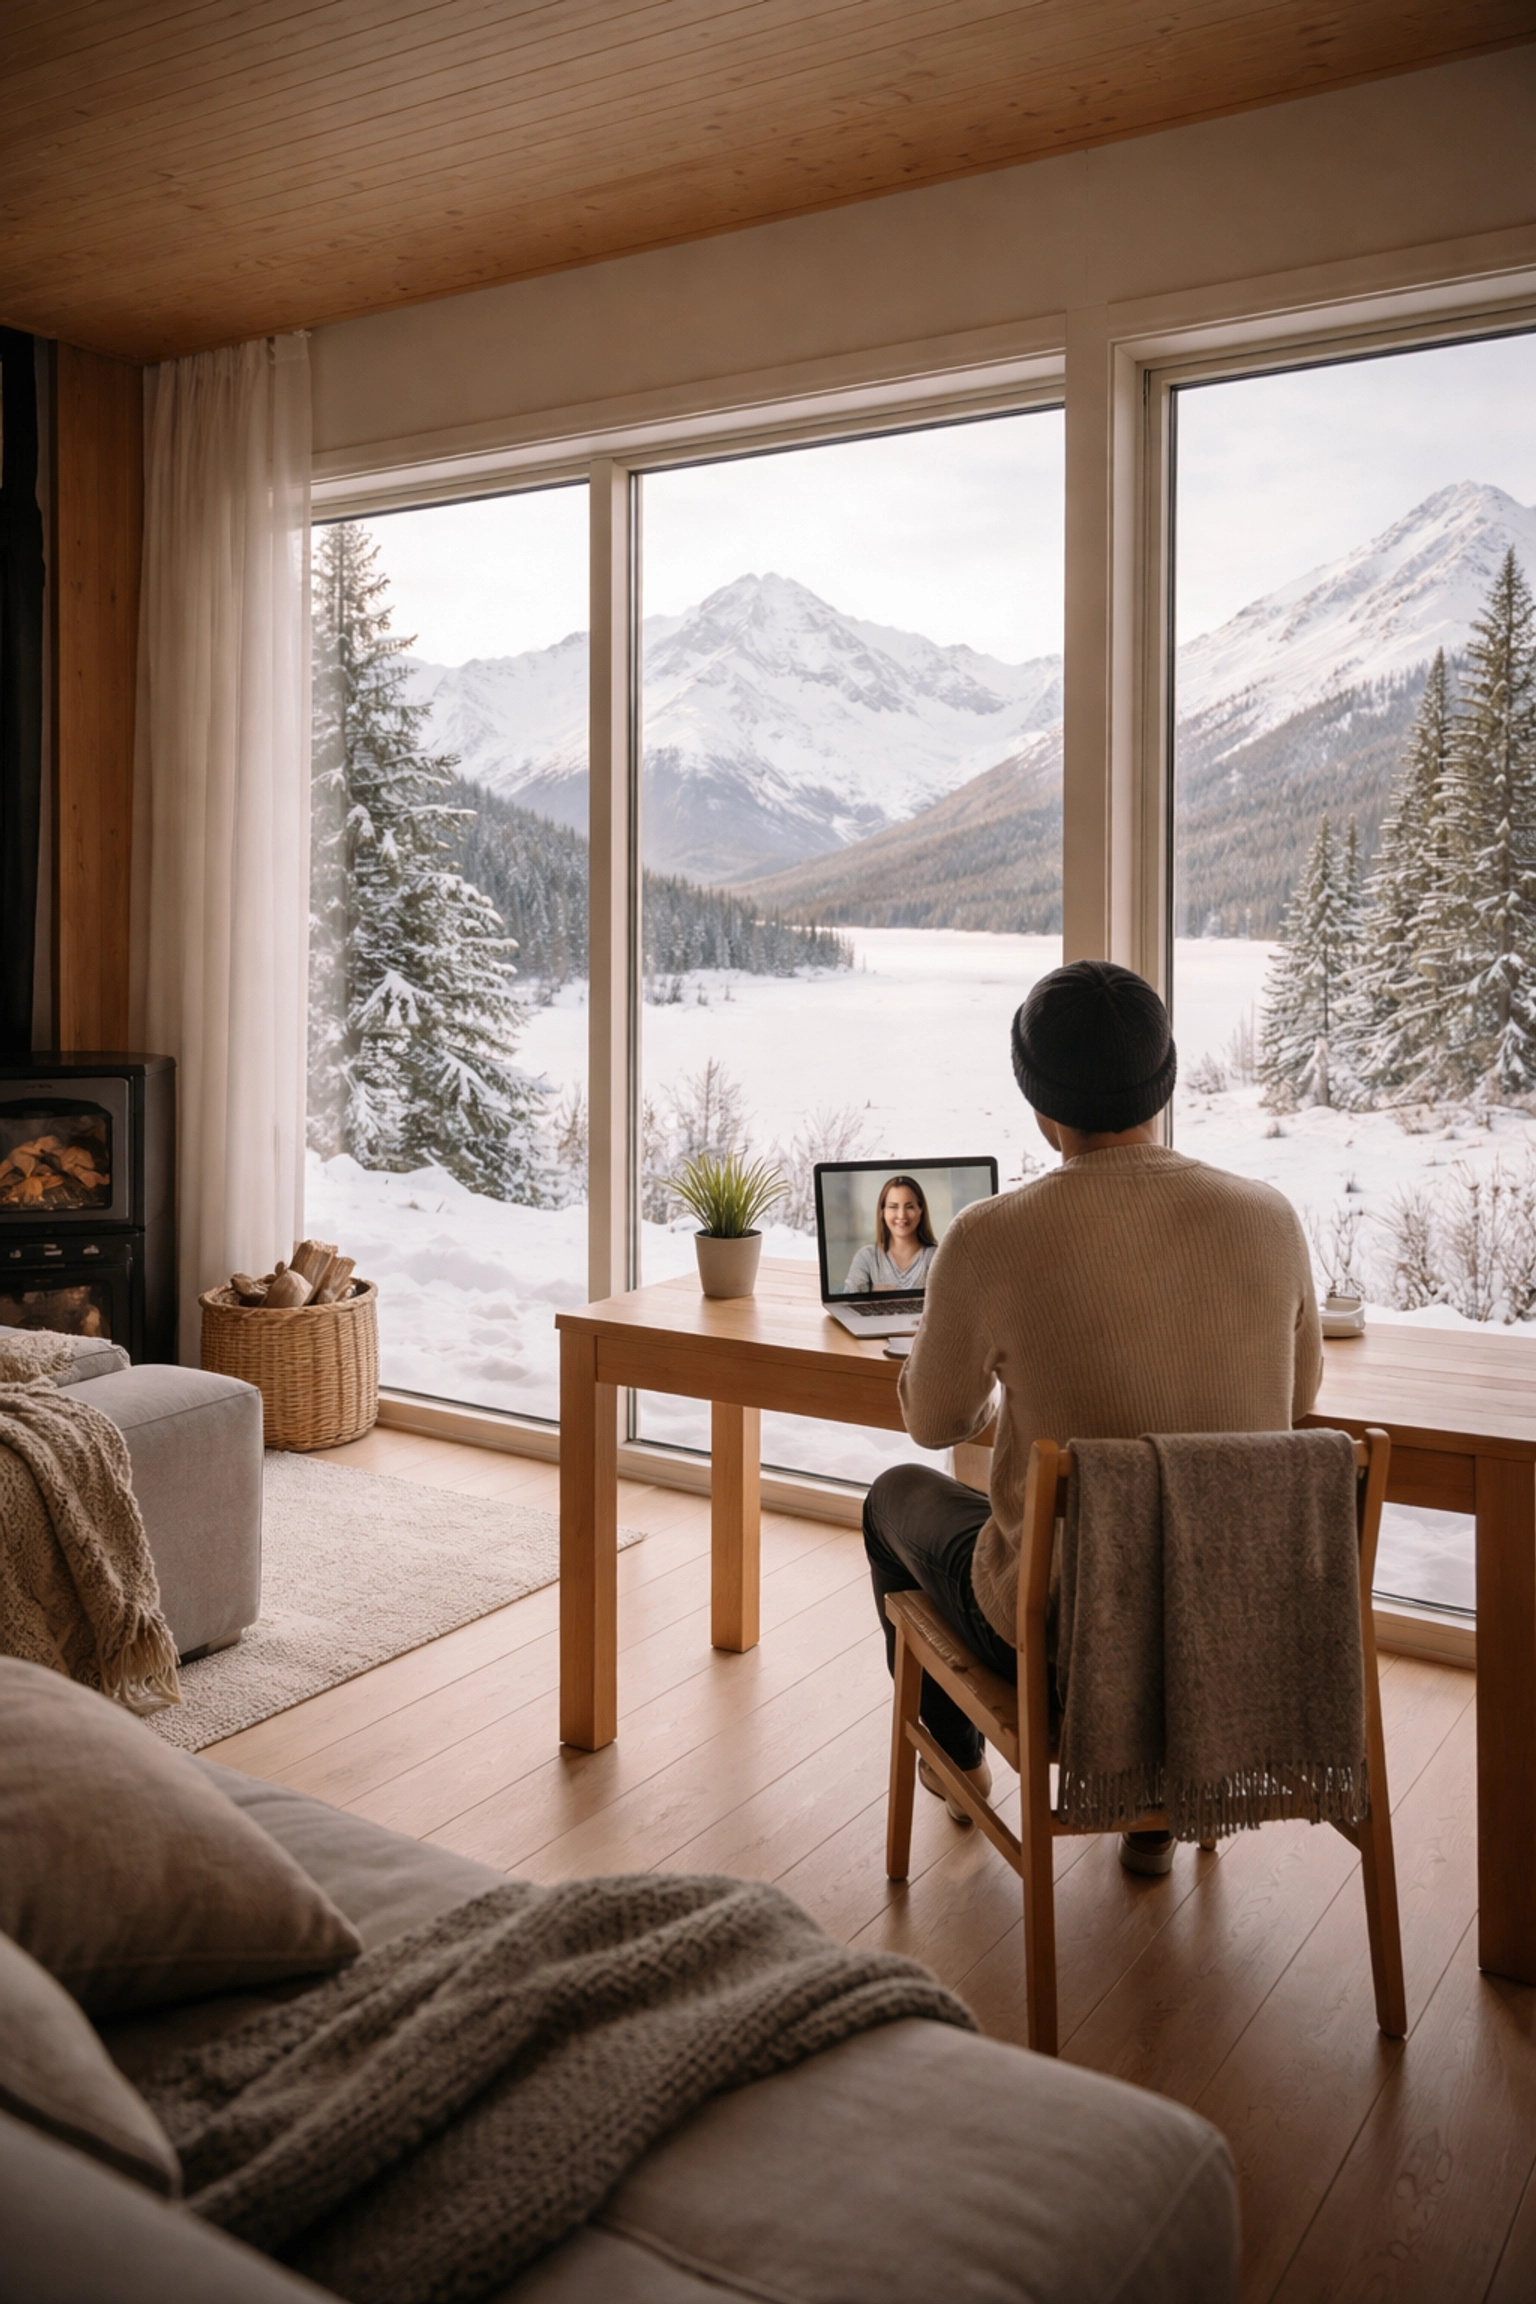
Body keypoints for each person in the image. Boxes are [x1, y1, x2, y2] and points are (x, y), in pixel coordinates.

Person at [863, 959, 1323, 1875]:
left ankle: (955, 1759)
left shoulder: (990, 1235)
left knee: (893, 1496)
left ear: (1038, 1099)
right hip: (1230, 1630)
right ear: (1166, 1077)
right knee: (1145, 1515)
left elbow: (933, 1420)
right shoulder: (1270, 1219)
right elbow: (1295, 1407)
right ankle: (1153, 1819)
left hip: (1070, 1643)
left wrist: (970, 1373)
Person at [844, 1174, 938, 1293]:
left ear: (920, 1211)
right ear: (882, 1212)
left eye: (909, 1207)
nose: (901, 1215)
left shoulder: (936, 1257)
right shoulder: (867, 1257)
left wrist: (873, 1293)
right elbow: (849, 1302)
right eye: (893, 1207)